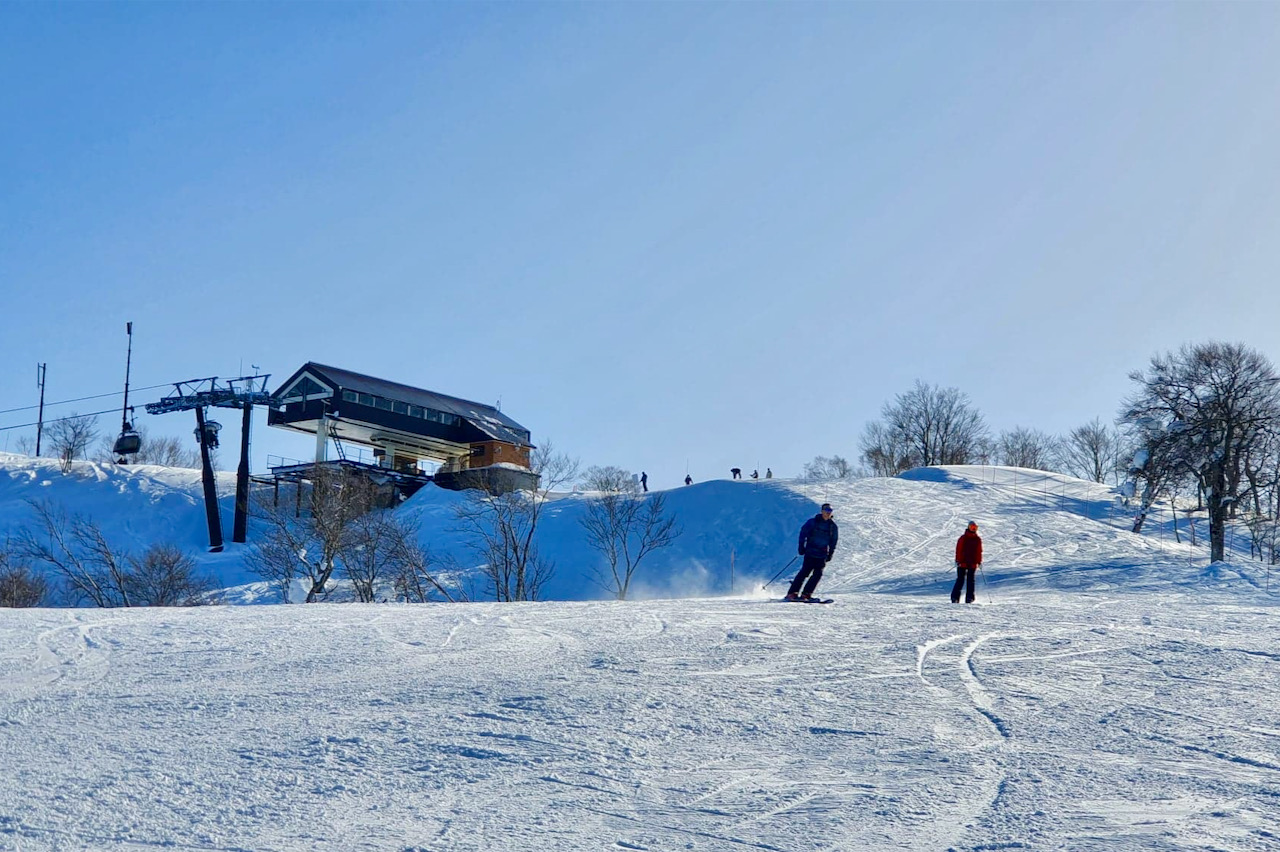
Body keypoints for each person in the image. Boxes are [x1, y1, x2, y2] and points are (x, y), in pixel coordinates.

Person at [786, 503, 838, 601]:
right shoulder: (812, 522)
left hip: (822, 554)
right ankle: (792, 593)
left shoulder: (832, 526)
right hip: (810, 552)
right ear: (822, 511)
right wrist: (801, 546)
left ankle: (806, 594)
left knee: (817, 574)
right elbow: (803, 533)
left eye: (830, 511)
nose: (828, 513)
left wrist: (830, 553)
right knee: (804, 572)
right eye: (826, 511)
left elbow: (833, 541)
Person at [952, 520, 983, 604]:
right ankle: (955, 598)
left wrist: (979, 561)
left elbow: (979, 551)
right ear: (968, 527)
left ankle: (969, 599)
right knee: (960, 580)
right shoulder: (963, 538)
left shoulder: (977, 539)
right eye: (972, 527)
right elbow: (958, 550)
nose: (973, 529)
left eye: (975, 527)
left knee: (971, 581)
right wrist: (957, 560)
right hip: (963, 562)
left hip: (972, 563)